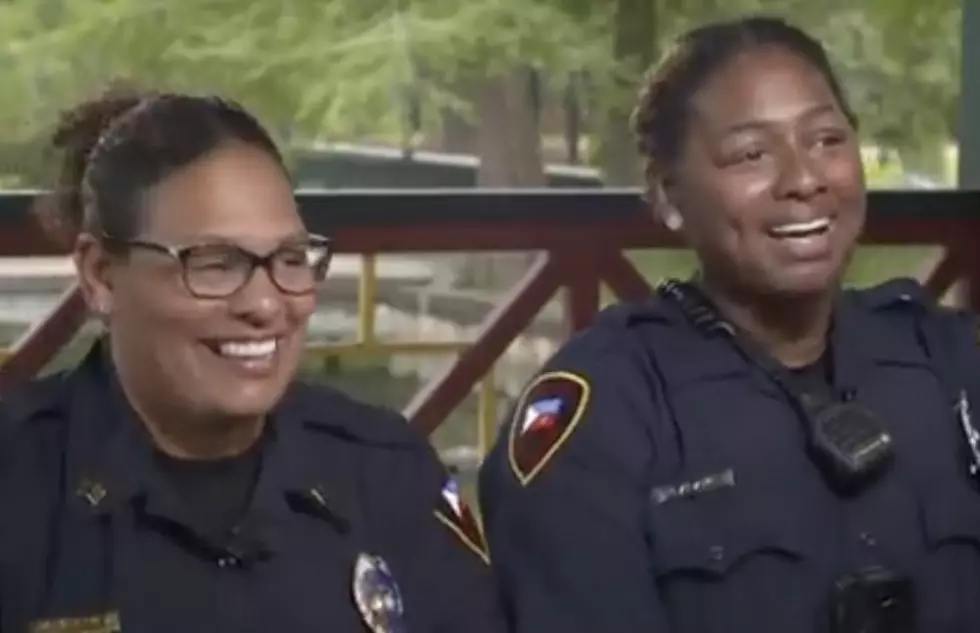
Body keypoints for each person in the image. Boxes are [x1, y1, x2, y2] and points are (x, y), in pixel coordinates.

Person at [479, 15, 980, 633]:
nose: (804, 179)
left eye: (826, 139)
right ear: (667, 195)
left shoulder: (947, 361)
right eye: (751, 154)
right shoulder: (606, 415)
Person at [0, 86, 507, 633]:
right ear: (101, 275)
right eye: (215, 264)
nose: (266, 304)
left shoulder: (388, 473)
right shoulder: (20, 487)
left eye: (289, 259)